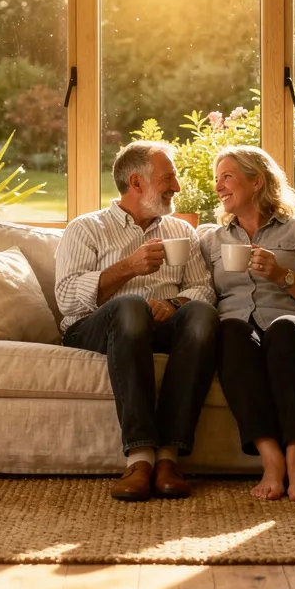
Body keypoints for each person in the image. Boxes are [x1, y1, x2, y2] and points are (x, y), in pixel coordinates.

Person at [55, 141, 219, 502]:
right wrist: (128, 268)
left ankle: (169, 458)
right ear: (136, 182)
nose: (177, 186)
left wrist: (173, 304)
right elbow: (65, 299)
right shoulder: (86, 228)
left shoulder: (181, 231)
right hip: (97, 328)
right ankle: (140, 457)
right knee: (131, 307)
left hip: (162, 326)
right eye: (168, 178)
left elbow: (203, 289)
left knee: (202, 315)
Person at [203, 145, 295, 501]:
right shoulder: (211, 240)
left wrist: (283, 276)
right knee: (229, 330)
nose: (218, 186)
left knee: (284, 328)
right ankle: (271, 458)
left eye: (227, 176)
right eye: (216, 179)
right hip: (240, 332)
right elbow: (203, 294)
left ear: (257, 181)